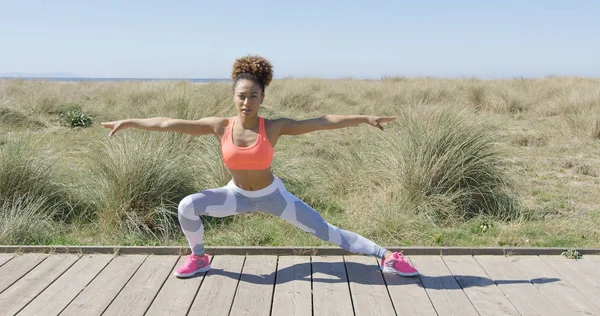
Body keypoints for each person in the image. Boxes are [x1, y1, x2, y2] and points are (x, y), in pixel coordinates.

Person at [101, 55, 419, 278]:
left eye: (253, 96)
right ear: (233, 96)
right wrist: (129, 122)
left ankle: (388, 257)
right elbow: (169, 123)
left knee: (326, 231)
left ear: (262, 96)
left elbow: (322, 122)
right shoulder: (219, 126)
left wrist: (364, 118)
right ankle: (198, 258)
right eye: (241, 96)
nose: (246, 102)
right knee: (187, 206)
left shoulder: (274, 127)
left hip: (274, 197)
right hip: (235, 195)